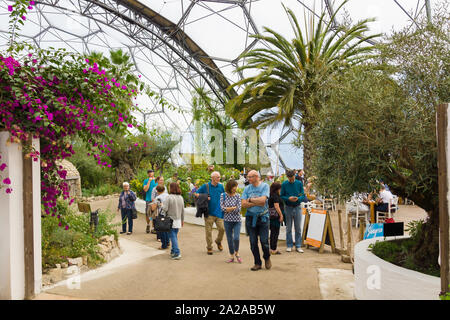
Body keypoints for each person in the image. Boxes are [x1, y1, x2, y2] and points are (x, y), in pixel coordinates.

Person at [241, 170, 271, 271]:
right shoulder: (247, 189)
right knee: (253, 242)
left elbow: (263, 201)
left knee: (264, 241)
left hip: (263, 218)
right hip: (250, 218)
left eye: (250, 177)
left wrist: (250, 200)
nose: (248, 179)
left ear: (256, 177)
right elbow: (243, 204)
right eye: (248, 177)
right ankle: (257, 263)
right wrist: (256, 202)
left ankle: (267, 257)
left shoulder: (265, 186)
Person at [195, 171, 226, 255]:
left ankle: (218, 241)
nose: (219, 179)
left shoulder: (221, 186)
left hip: (219, 212)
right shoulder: (206, 186)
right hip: (208, 212)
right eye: (218, 177)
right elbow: (195, 193)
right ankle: (209, 247)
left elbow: (224, 196)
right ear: (212, 178)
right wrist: (204, 196)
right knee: (208, 231)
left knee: (222, 229)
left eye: (219, 177)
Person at [280, 169, 307, 253]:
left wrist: (298, 198)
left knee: (298, 227)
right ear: (287, 177)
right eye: (289, 178)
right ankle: (289, 245)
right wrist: (288, 198)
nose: (291, 180)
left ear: (294, 176)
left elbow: (302, 194)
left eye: (292, 178)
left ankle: (298, 245)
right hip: (288, 207)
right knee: (288, 227)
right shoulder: (284, 184)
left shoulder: (299, 183)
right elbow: (281, 196)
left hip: (297, 206)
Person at [220, 179, 242, 263]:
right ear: (229, 187)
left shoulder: (238, 196)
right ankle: (232, 255)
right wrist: (233, 207)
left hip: (237, 220)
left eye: (236, 186)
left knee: (236, 238)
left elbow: (239, 209)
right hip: (227, 221)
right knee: (229, 239)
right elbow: (222, 208)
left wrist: (228, 209)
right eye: (234, 186)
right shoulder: (223, 195)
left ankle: (237, 252)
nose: (235, 188)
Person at [162, 183, 185, 260]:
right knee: (174, 236)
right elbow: (182, 210)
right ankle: (173, 251)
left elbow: (164, 209)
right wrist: (182, 220)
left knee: (172, 236)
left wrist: (161, 205)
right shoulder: (181, 197)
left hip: (170, 220)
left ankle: (177, 253)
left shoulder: (169, 197)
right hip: (178, 220)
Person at [151, 185, 170, 249]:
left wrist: (152, 205)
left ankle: (164, 245)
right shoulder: (168, 196)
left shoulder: (158, 198)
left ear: (157, 191)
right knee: (167, 229)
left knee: (162, 230)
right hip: (168, 214)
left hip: (161, 214)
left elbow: (153, 208)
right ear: (164, 190)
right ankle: (167, 242)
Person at [268, 182, 284, 255]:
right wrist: (281, 215)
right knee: (275, 233)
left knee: (273, 233)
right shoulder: (275, 196)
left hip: (271, 216)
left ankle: (272, 248)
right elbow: (276, 206)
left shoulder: (271, 195)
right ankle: (273, 249)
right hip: (275, 217)